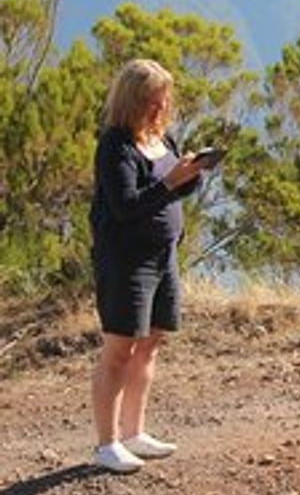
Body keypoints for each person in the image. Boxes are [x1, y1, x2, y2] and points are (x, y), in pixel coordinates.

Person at [88, 59, 210, 474]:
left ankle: (134, 431)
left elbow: (175, 190)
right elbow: (126, 207)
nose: (161, 109)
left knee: (151, 342)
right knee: (120, 348)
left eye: (164, 101)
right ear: (134, 101)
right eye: (154, 102)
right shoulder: (116, 146)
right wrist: (171, 182)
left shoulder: (164, 138)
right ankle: (107, 443)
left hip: (164, 257)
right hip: (126, 260)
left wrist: (191, 174)